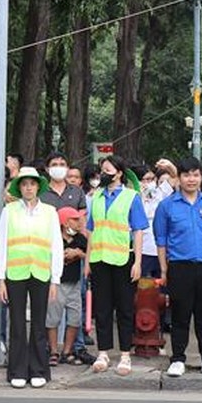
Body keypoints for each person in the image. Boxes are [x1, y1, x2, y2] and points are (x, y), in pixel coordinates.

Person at [155, 157, 202, 378]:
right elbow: (161, 241)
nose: (191, 179)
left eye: (195, 174)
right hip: (179, 267)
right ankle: (177, 359)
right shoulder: (167, 205)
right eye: (186, 175)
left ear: (201, 177)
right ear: (180, 178)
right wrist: (164, 270)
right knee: (180, 316)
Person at [0, 167, 64, 388]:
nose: (28, 188)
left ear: (38, 187)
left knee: (38, 323)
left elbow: (56, 246)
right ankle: (17, 369)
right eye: (24, 184)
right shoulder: (10, 210)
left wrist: (55, 279)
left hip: (41, 272)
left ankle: (38, 368)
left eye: (32, 184)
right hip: (15, 273)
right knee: (16, 322)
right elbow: (1, 244)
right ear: (20, 187)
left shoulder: (50, 212)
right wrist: (0, 278)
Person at [84, 155, 148, 376]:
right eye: (102, 170)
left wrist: (138, 261)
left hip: (123, 258)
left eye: (108, 169)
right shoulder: (97, 197)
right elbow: (91, 230)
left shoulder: (131, 197)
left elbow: (138, 230)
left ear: (119, 173)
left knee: (124, 308)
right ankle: (103, 352)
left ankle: (125, 354)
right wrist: (87, 261)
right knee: (101, 308)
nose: (103, 173)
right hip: (99, 259)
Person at [46, 206, 87, 366]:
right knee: (52, 318)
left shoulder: (80, 239)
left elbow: (89, 253)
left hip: (74, 283)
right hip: (57, 284)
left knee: (75, 318)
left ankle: (67, 351)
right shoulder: (53, 238)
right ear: (64, 222)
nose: (79, 223)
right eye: (74, 219)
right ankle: (53, 351)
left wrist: (78, 254)